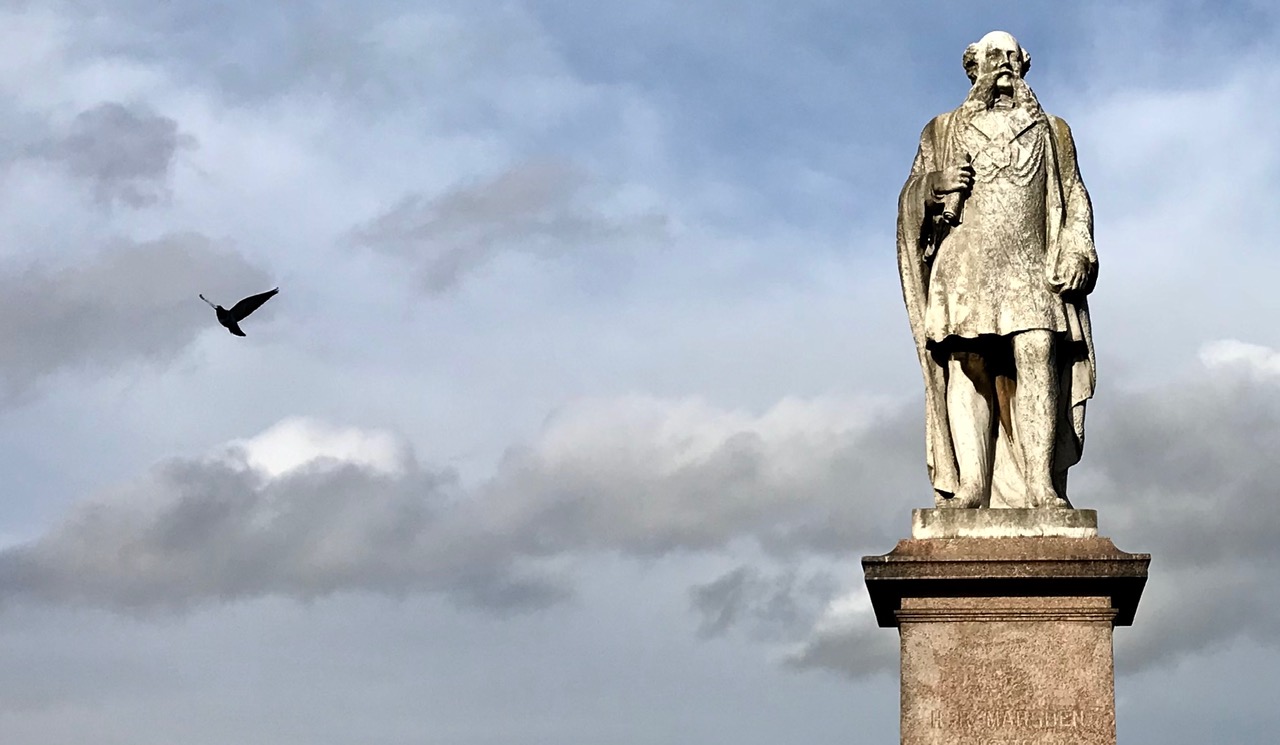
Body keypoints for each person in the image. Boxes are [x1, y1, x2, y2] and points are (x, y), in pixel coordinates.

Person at [896, 31, 1097, 509]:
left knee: (1037, 353)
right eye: (992, 56)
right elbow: (910, 200)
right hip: (965, 262)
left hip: (1030, 262)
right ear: (974, 68)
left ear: (1024, 65)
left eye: (1011, 56)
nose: (1002, 66)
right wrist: (933, 185)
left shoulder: (1053, 130)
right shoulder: (942, 130)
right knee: (970, 366)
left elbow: (1075, 197)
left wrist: (1076, 248)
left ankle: (1040, 486)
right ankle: (971, 487)